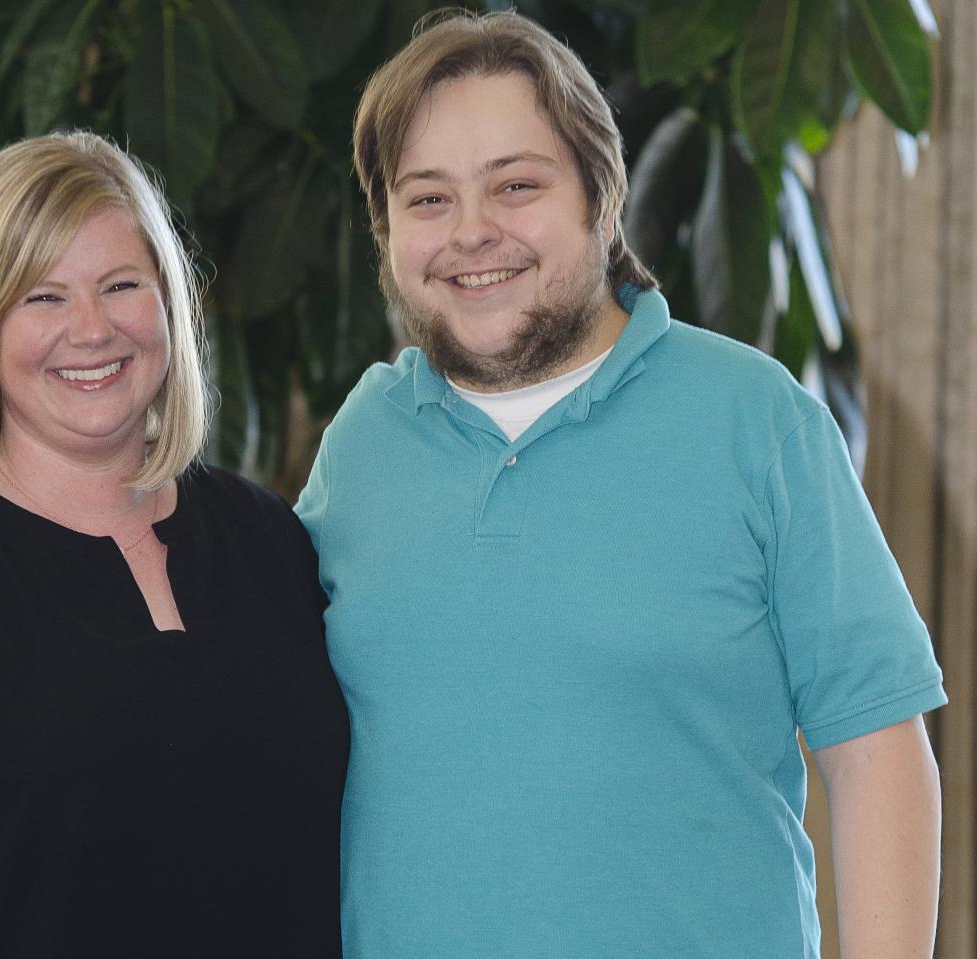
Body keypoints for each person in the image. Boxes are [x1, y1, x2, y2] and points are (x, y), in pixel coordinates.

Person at [295, 11, 945, 959]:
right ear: (386, 227)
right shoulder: (360, 444)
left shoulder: (756, 420)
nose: (472, 232)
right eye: (427, 199)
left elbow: (877, 744)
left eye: (515, 185)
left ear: (601, 197)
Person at [0, 132, 348, 958]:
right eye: (42, 297)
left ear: (169, 304)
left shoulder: (269, 539)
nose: (92, 328)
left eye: (121, 285)